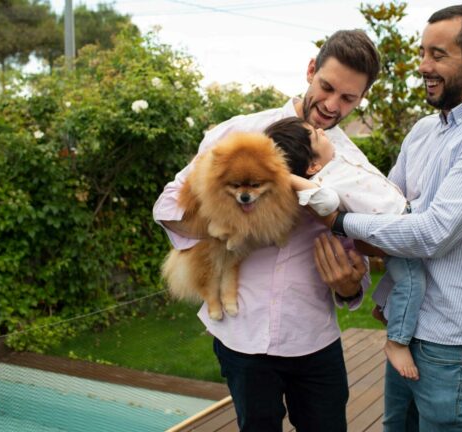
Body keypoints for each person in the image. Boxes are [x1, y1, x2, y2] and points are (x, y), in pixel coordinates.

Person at [319, 5, 462, 431]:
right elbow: (384, 208)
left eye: (437, 55)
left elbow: (430, 234)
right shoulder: (423, 131)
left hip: (455, 340)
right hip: (406, 326)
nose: (423, 66)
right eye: (423, 53)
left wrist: (339, 222)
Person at [152, 30, 380, 432]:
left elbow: (356, 246)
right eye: (326, 87)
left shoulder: (351, 166)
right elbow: (168, 206)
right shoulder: (236, 134)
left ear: (361, 99)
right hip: (242, 334)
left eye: (348, 98)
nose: (330, 105)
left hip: (313, 336)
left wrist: (349, 286)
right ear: (311, 70)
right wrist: (236, 225)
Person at [265, 116, 426, 380]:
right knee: (413, 283)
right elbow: (325, 203)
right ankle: (397, 341)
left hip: (404, 217)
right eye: (317, 136)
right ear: (313, 164)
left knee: (408, 276)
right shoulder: (323, 184)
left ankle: (385, 308)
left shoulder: (338, 161)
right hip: (393, 235)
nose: (321, 131)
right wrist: (289, 179)